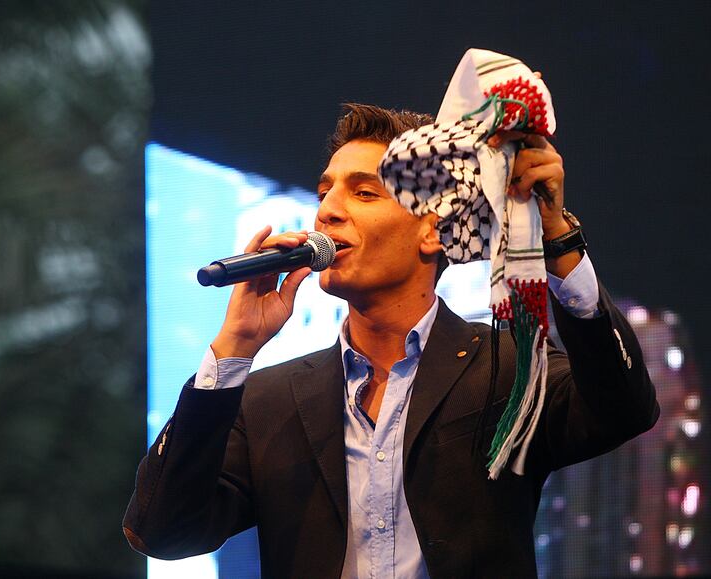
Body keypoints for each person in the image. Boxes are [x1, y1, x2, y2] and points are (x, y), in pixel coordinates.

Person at [123, 104, 659, 578]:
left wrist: (559, 239)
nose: (328, 210)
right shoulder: (268, 400)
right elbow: (162, 532)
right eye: (324, 191)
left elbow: (624, 409)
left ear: (433, 230)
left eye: (363, 192)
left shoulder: (508, 370)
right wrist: (233, 349)